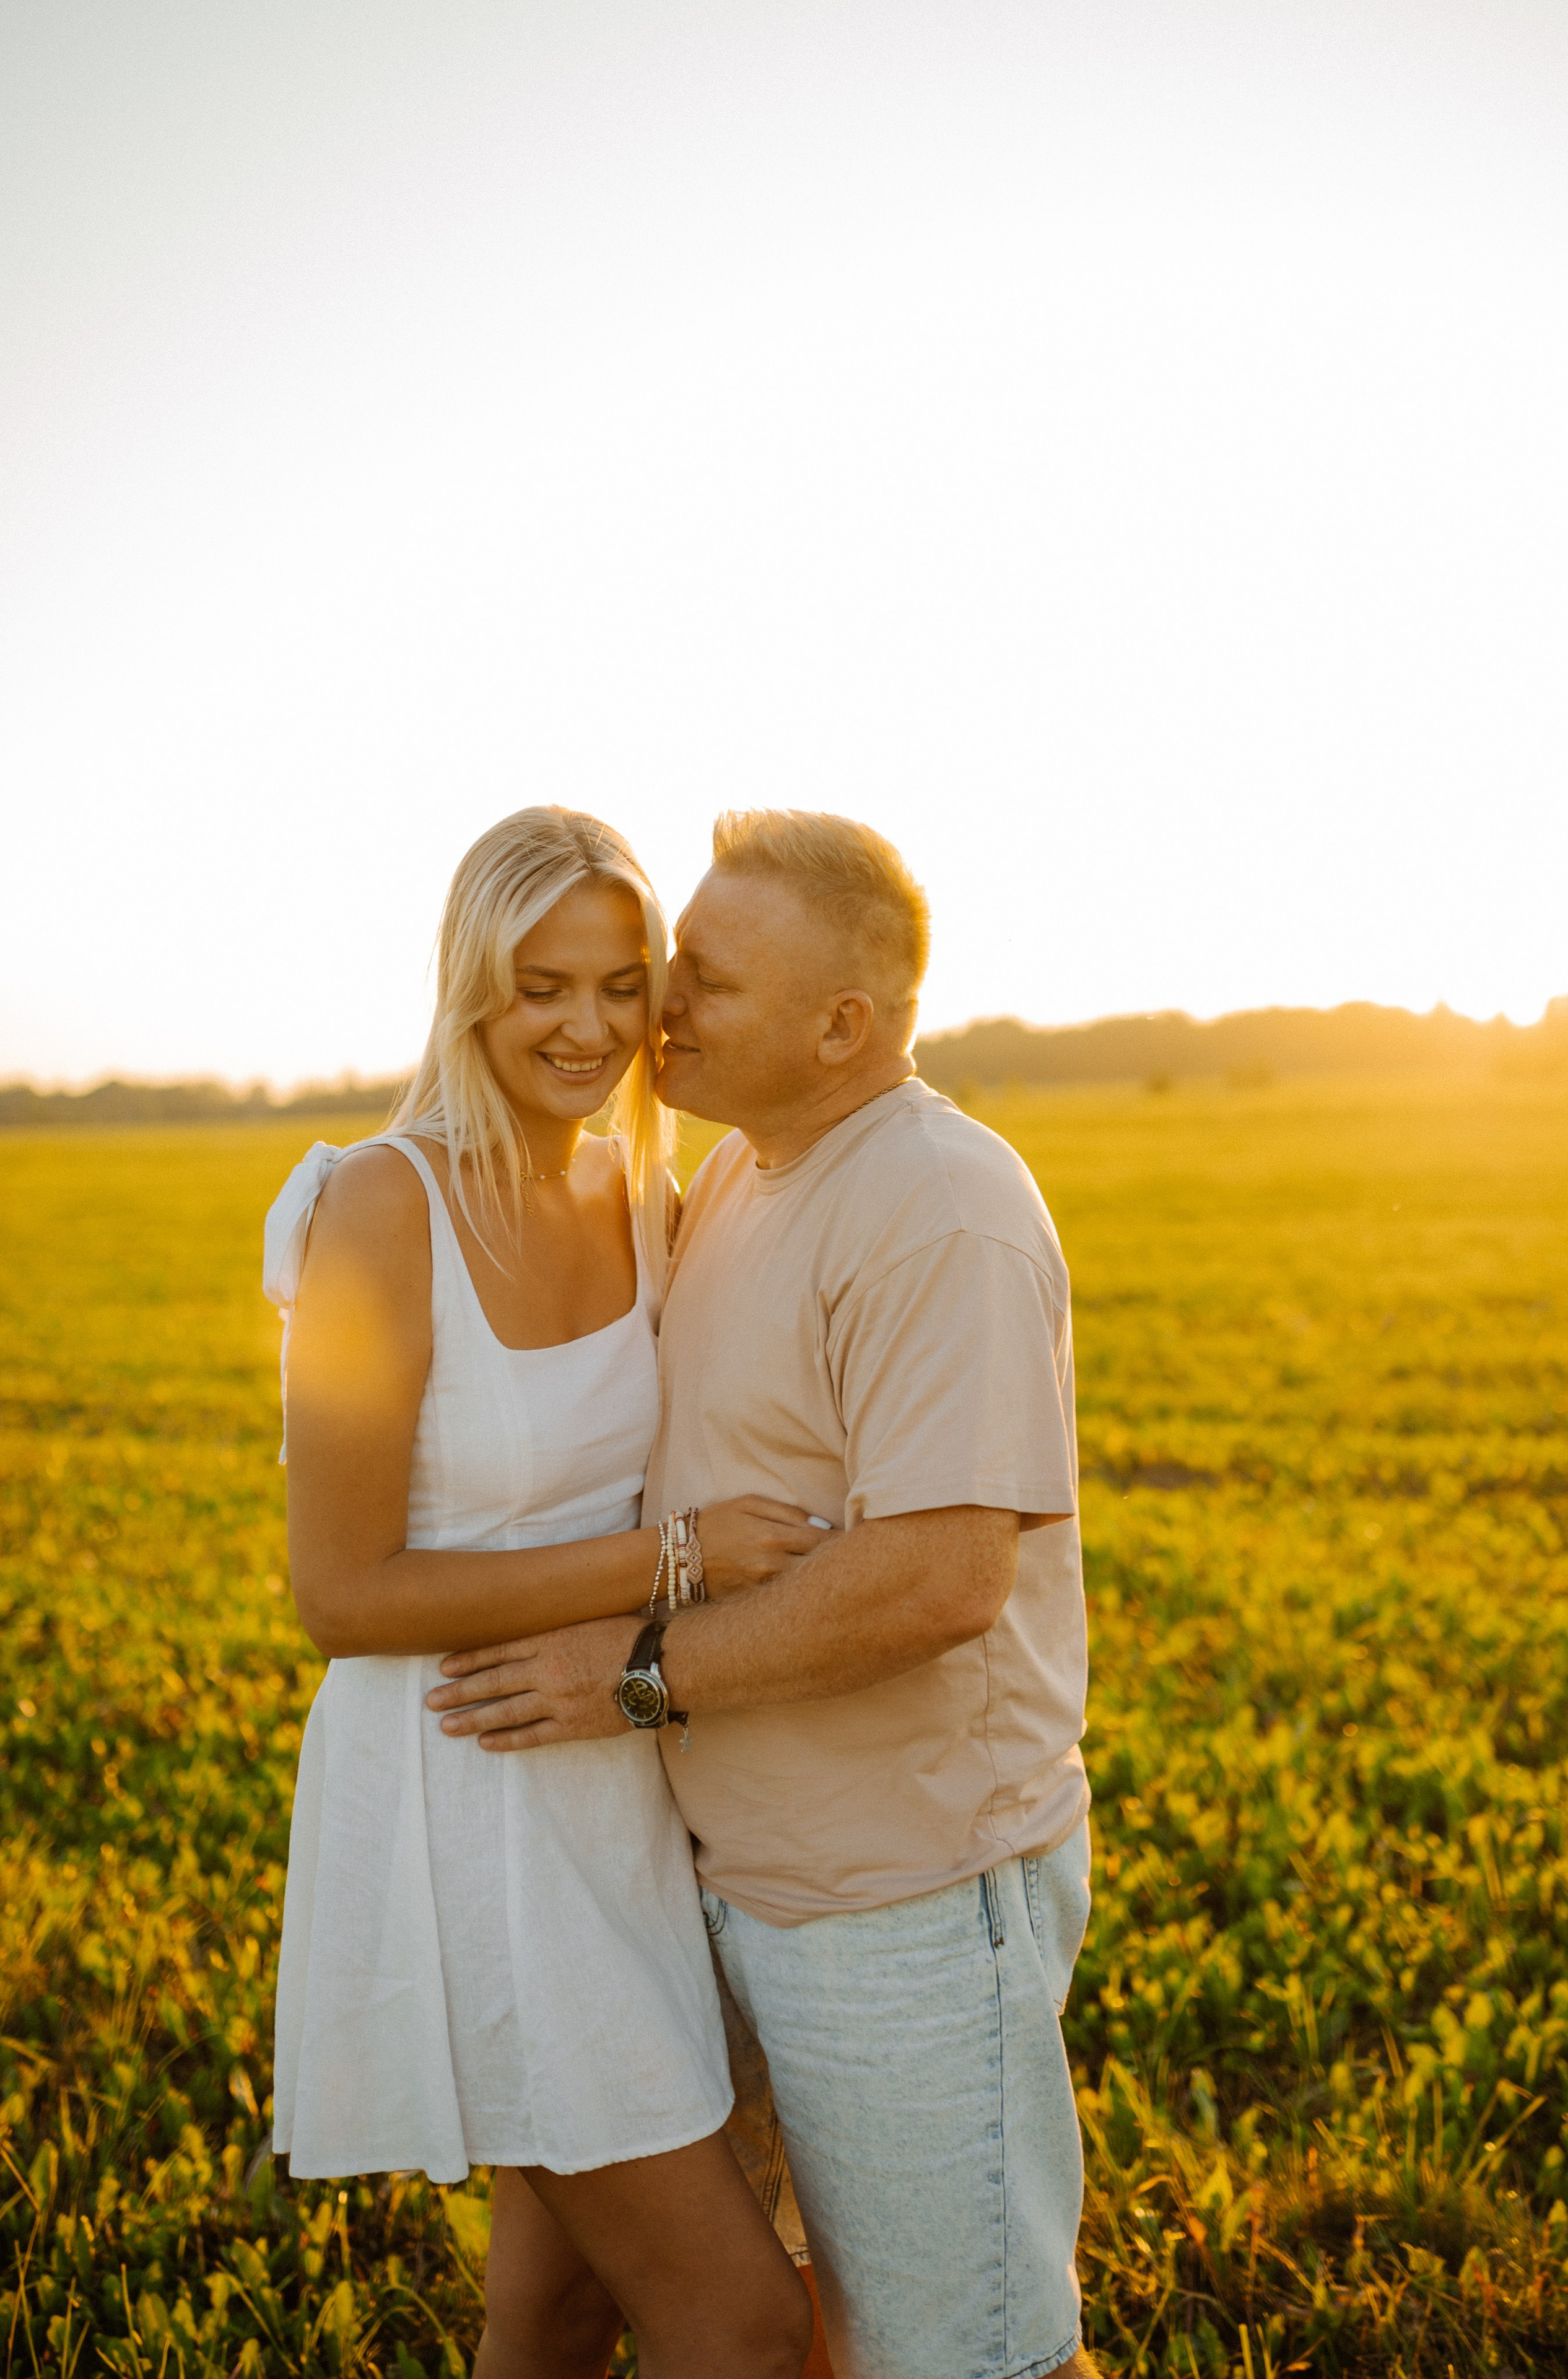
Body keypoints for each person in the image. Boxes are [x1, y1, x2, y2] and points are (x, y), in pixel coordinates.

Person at [429, 810, 1100, 2379]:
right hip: (720, 1878)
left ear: (840, 1025)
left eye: (706, 981)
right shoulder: (741, 1171)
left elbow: (937, 1577)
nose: (662, 1006)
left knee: (960, 2354)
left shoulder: (939, 1204)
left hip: (904, 1900)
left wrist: (636, 1672)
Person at [264, 806, 820, 2379]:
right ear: (470, 991)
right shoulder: (379, 1207)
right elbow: (340, 1591)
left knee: (560, 2305)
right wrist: (674, 1563)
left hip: (616, 1789)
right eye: (540, 987)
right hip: (466, 1790)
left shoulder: (650, 1203)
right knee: (746, 2325)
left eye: (618, 983)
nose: (586, 1027)